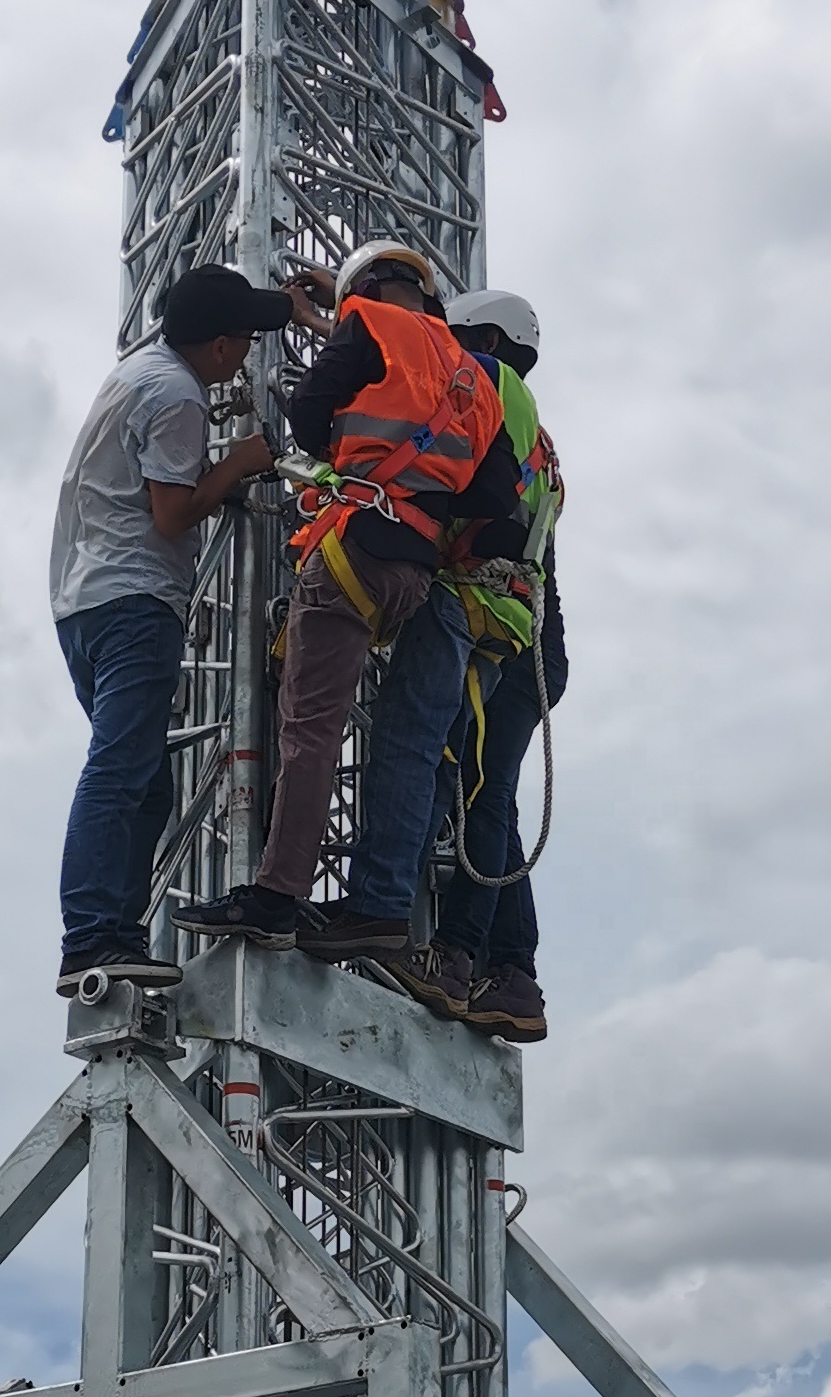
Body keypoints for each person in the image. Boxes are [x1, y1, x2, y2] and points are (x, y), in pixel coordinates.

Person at [180, 239, 525, 958]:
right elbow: (498, 508)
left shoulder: (369, 325)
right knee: (397, 743)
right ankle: (372, 904)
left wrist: (354, 462)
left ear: (362, 289)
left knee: (309, 729)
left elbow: (308, 415)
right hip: (417, 573)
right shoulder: (476, 378)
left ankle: (275, 897)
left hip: (355, 549)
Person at [47, 261, 324, 997]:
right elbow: (172, 513)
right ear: (221, 347)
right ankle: (93, 938)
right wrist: (242, 461)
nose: (245, 354)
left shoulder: (142, 368)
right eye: (243, 339)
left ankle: (113, 932)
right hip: (135, 597)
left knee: (145, 789)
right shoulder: (177, 397)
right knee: (120, 770)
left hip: (83, 600)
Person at [389, 289, 563, 1041]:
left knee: (479, 794)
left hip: (503, 627)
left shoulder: (487, 386)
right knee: (493, 799)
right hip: (530, 635)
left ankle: (459, 957)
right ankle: (513, 975)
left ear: (486, 339)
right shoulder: (538, 435)